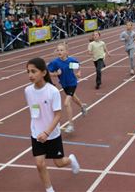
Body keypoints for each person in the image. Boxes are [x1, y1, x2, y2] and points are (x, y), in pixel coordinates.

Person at [24, 57, 80, 192]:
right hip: (36, 133)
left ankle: (71, 160)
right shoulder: (27, 90)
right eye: (28, 72)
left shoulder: (53, 91)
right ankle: (49, 189)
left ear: (43, 73)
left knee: (59, 163)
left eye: (34, 71)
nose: (30, 75)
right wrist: (39, 131)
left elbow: (58, 115)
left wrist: (47, 132)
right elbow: (34, 111)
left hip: (52, 134)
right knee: (39, 164)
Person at [48, 43, 88, 134]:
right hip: (64, 84)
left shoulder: (71, 61)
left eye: (61, 50)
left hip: (72, 83)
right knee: (73, 97)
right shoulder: (55, 63)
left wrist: (79, 73)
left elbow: (78, 68)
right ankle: (82, 106)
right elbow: (47, 72)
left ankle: (71, 125)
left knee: (66, 103)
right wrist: (55, 74)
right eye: (58, 50)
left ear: (66, 52)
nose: (59, 52)